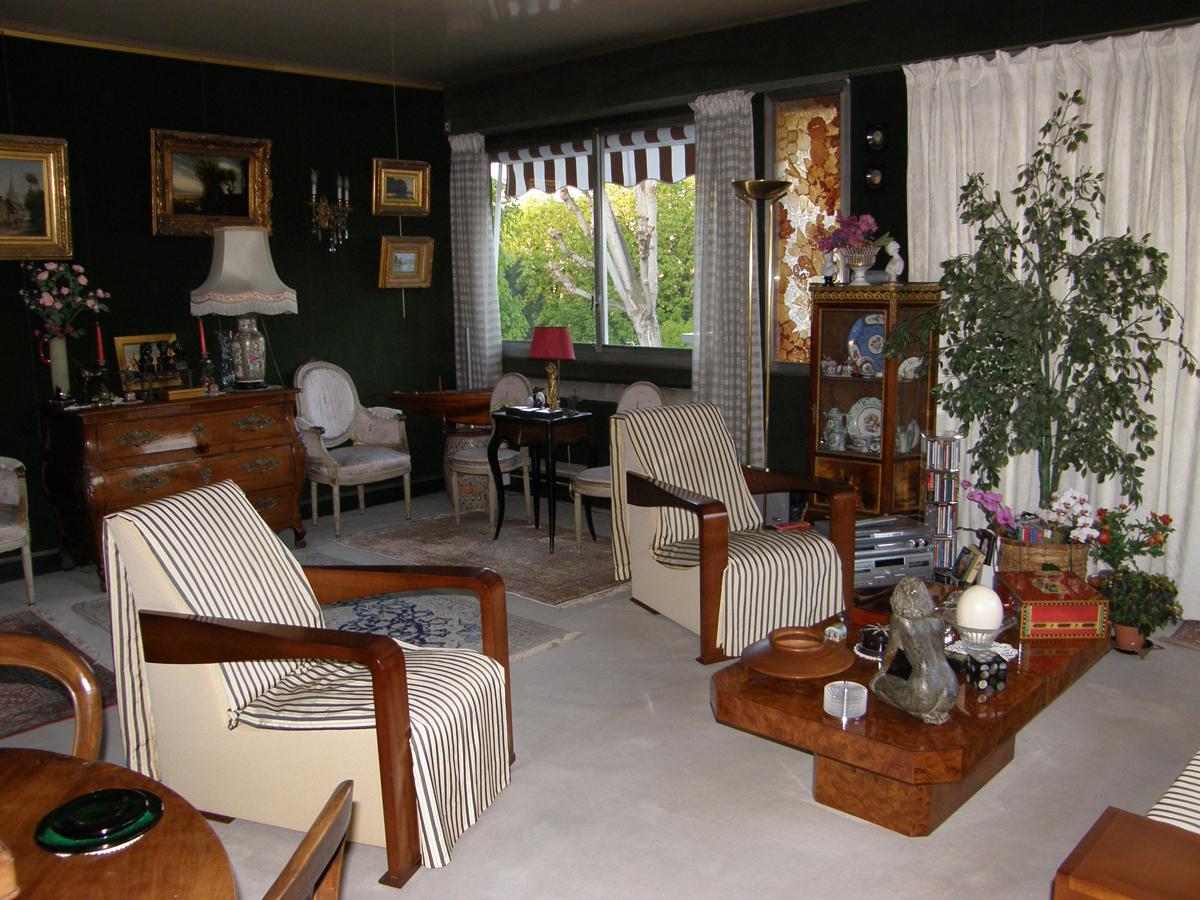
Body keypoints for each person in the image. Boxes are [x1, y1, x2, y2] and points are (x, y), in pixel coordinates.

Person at [869, 577, 958, 724]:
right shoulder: (937, 619)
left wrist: (881, 672)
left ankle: (920, 712)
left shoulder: (899, 620)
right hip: (951, 689)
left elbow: (891, 652)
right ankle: (936, 712)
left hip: (924, 692)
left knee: (877, 684)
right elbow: (940, 652)